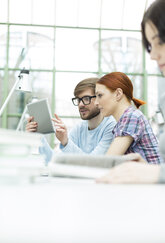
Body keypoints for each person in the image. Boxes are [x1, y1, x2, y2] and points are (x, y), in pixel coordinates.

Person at [96, 0, 165, 184]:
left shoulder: (131, 117)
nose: (152, 55)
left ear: (118, 94)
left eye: (159, 42)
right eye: (150, 46)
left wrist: (157, 173)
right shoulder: (118, 123)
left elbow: (106, 161)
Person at [26, 78, 116, 163]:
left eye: (86, 99)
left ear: (99, 98)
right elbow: (52, 161)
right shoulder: (80, 128)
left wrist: (66, 142)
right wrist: (38, 136)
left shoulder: (111, 126)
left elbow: (93, 163)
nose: (80, 104)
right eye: (78, 100)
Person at [95, 71, 163, 164]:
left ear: (118, 94)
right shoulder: (125, 120)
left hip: (155, 177)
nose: (96, 103)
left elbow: (109, 161)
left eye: (100, 95)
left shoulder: (131, 117)